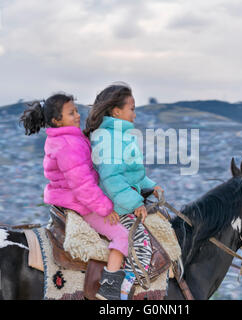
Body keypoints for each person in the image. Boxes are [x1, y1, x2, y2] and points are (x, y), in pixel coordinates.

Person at [19, 93, 128, 300]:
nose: (78, 115)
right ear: (56, 120)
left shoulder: (63, 139)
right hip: (80, 204)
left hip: (66, 200)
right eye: (71, 113)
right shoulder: (69, 144)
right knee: (122, 235)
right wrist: (106, 208)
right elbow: (83, 186)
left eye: (76, 110)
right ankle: (110, 286)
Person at [84, 83, 164, 300]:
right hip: (116, 206)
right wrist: (136, 203)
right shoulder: (110, 139)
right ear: (116, 111)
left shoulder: (120, 136)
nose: (135, 114)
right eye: (132, 109)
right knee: (142, 247)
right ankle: (117, 292)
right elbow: (112, 179)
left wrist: (150, 185)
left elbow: (131, 174)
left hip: (123, 200)